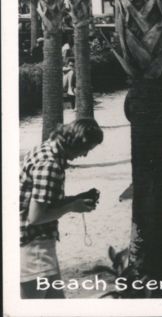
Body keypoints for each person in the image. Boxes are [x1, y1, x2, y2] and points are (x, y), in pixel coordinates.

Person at [20, 119, 104, 298]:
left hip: (38, 244)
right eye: (87, 149)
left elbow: (43, 201)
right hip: (33, 246)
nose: (85, 155)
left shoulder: (45, 149)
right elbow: (35, 217)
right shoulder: (49, 164)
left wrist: (76, 198)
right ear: (76, 142)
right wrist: (72, 206)